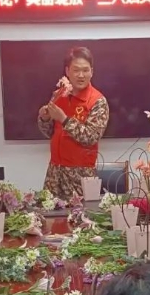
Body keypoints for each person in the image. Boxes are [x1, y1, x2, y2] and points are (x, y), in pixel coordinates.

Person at [38, 47, 110, 200]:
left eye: (85, 70)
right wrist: (45, 118)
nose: (81, 75)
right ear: (67, 71)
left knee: (80, 215)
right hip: (54, 173)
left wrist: (64, 119)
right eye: (76, 70)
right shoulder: (59, 94)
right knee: (49, 213)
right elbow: (49, 132)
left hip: (80, 176)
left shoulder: (98, 101)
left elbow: (91, 137)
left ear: (92, 72)